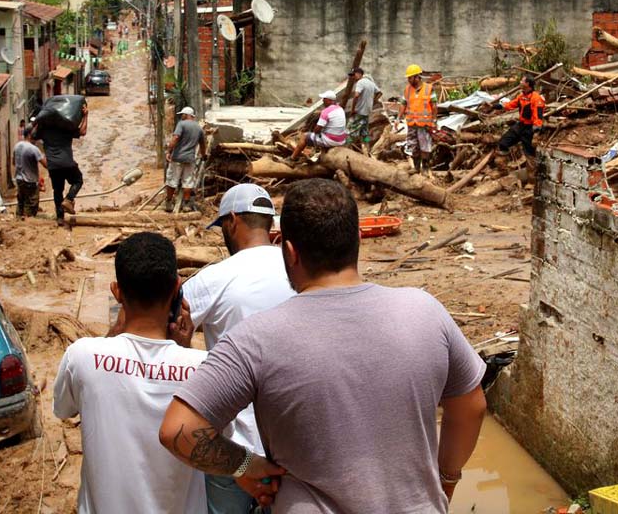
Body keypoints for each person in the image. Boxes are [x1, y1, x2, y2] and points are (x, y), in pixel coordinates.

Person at [160, 179, 487, 512]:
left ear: (289, 252)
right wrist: (446, 477)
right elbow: (471, 407)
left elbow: (178, 430)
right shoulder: (425, 311)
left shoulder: (255, 338)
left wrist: (244, 465)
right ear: (358, 240)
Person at [53, 232, 208, 514]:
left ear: (117, 291)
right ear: (176, 288)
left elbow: (63, 410)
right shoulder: (203, 368)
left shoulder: (82, 355)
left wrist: (112, 335)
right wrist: (184, 350)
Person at [181, 183, 295, 513]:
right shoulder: (299, 270)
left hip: (236, 453)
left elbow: (165, 324)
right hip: (293, 444)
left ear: (231, 221)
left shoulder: (214, 278)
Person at [34, 101, 88, 226]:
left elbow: (32, 135)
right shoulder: (66, 127)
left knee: (57, 190)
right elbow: (83, 131)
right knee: (78, 181)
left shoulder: (43, 130)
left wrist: (38, 121)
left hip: (53, 166)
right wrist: (85, 116)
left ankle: (60, 218)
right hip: (67, 163)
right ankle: (69, 199)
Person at [495, 75, 546, 179]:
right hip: (521, 125)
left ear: (528, 84)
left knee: (530, 155)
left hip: (530, 129)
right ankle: (503, 171)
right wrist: (496, 106)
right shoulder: (521, 96)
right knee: (503, 143)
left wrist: (536, 133)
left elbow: (538, 116)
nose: (520, 82)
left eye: (522, 80)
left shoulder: (536, 98)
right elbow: (510, 105)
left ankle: (532, 181)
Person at [165, 106, 207, 213]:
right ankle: (186, 204)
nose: (181, 116)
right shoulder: (198, 127)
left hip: (178, 157)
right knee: (188, 181)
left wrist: (169, 151)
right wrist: (203, 155)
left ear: (187, 115)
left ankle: (169, 202)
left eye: (182, 114)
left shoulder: (181, 124)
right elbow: (203, 144)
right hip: (190, 159)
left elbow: (175, 138)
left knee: (172, 180)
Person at [398, 64, 438, 176]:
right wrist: (398, 118)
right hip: (412, 123)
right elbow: (403, 103)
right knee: (413, 146)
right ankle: (416, 167)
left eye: (410, 77)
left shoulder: (429, 89)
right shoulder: (407, 90)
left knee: (425, 146)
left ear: (417, 77)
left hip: (424, 124)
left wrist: (434, 121)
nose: (408, 80)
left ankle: (425, 167)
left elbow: (434, 105)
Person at [290, 90, 347, 160]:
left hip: (331, 141)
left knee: (304, 137)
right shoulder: (340, 108)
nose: (323, 101)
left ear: (329, 100)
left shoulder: (326, 112)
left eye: (324, 99)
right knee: (324, 132)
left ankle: (292, 158)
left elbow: (317, 130)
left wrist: (314, 130)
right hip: (341, 140)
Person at [14, 126, 47, 218]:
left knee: (21, 202)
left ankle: (18, 221)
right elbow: (46, 165)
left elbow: (14, 162)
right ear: (29, 135)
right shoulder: (33, 149)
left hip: (19, 179)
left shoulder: (17, 146)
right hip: (30, 181)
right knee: (31, 205)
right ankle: (27, 223)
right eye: (34, 134)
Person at [347, 67, 381, 154]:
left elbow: (356, 95)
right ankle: (367, 150)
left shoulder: (360, 82)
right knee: (365, 133)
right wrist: (373, 102)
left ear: (359, 74)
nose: (353, 77)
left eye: (353, 75)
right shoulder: (370, 83)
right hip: (366, 112)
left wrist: (353, 109)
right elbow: (379, 93)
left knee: (349, 131)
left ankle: (348, 151)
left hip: (359, 111)